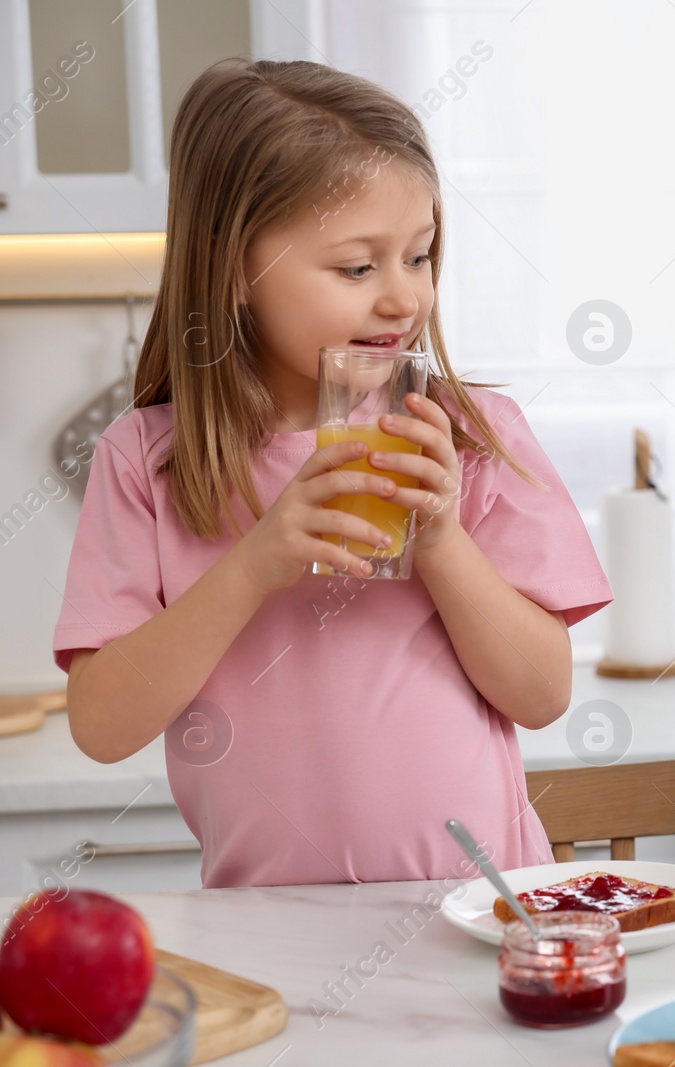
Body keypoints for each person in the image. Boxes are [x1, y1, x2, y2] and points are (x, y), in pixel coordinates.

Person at [53, 59, 611, 887]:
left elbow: (541, 694)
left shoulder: (473, 439)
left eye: (419, 257)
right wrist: (253, 565)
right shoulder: (149, 460)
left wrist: (443, 540)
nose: (402, 298)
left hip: (475, 913)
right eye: (358, 268)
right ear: (235, 266)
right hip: (263, 933)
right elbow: (101, 726)